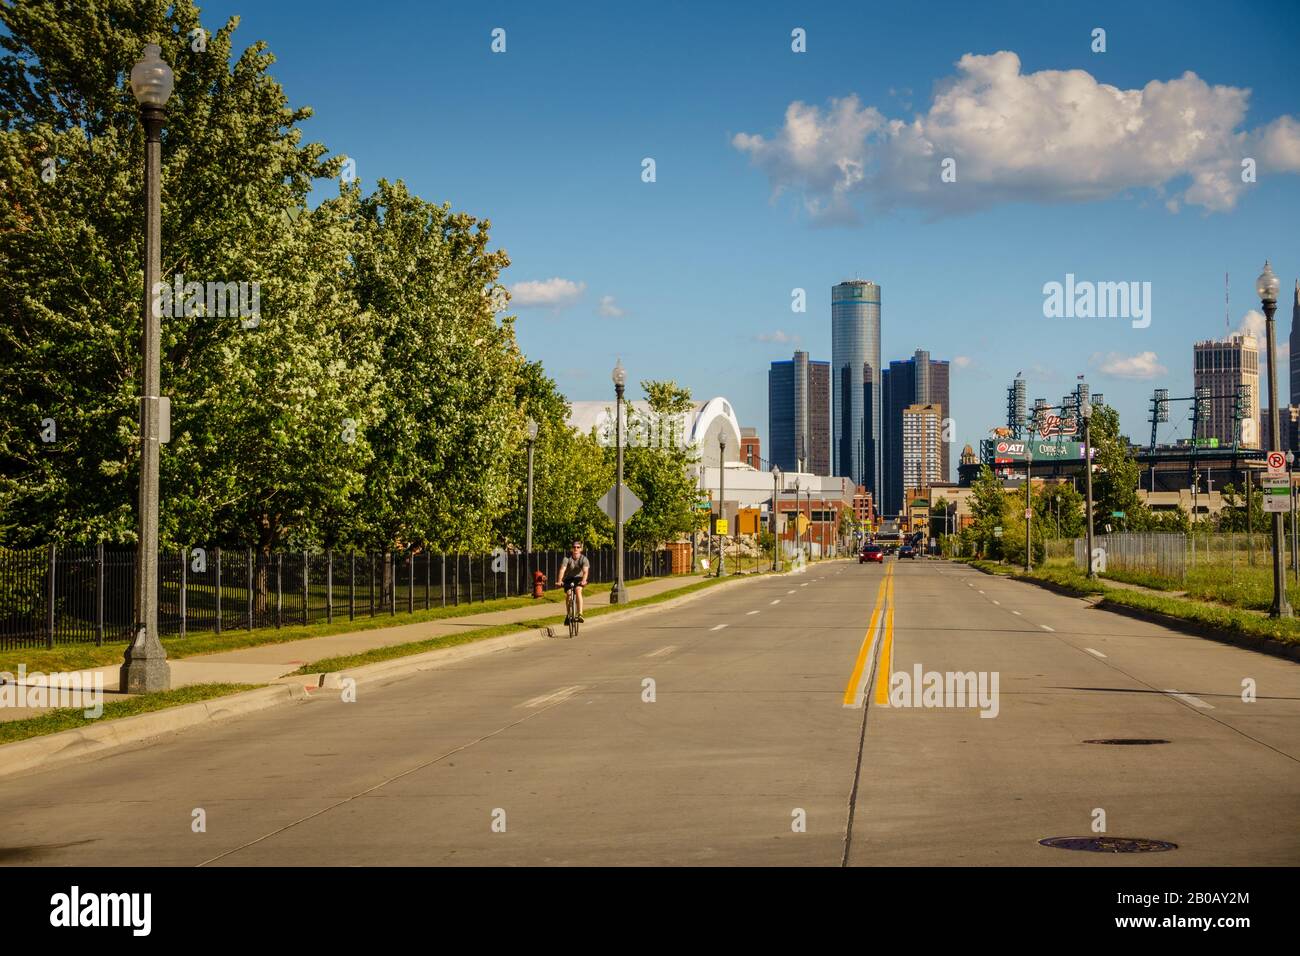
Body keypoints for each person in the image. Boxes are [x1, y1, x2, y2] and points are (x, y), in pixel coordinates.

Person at [556, 538, 590, 624]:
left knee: (578, 590)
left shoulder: (584, 559)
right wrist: (559, 581)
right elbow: (562, 570)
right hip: (569, 578)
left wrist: (584, 581)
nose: (576, 549)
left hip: (579, 578)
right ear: (572, 548)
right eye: (574, 547)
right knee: (569, 594)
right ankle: (568, 615)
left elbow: (585, 572)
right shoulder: (567, 558)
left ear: (581, 549)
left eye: (578, 547)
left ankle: (580, 614)